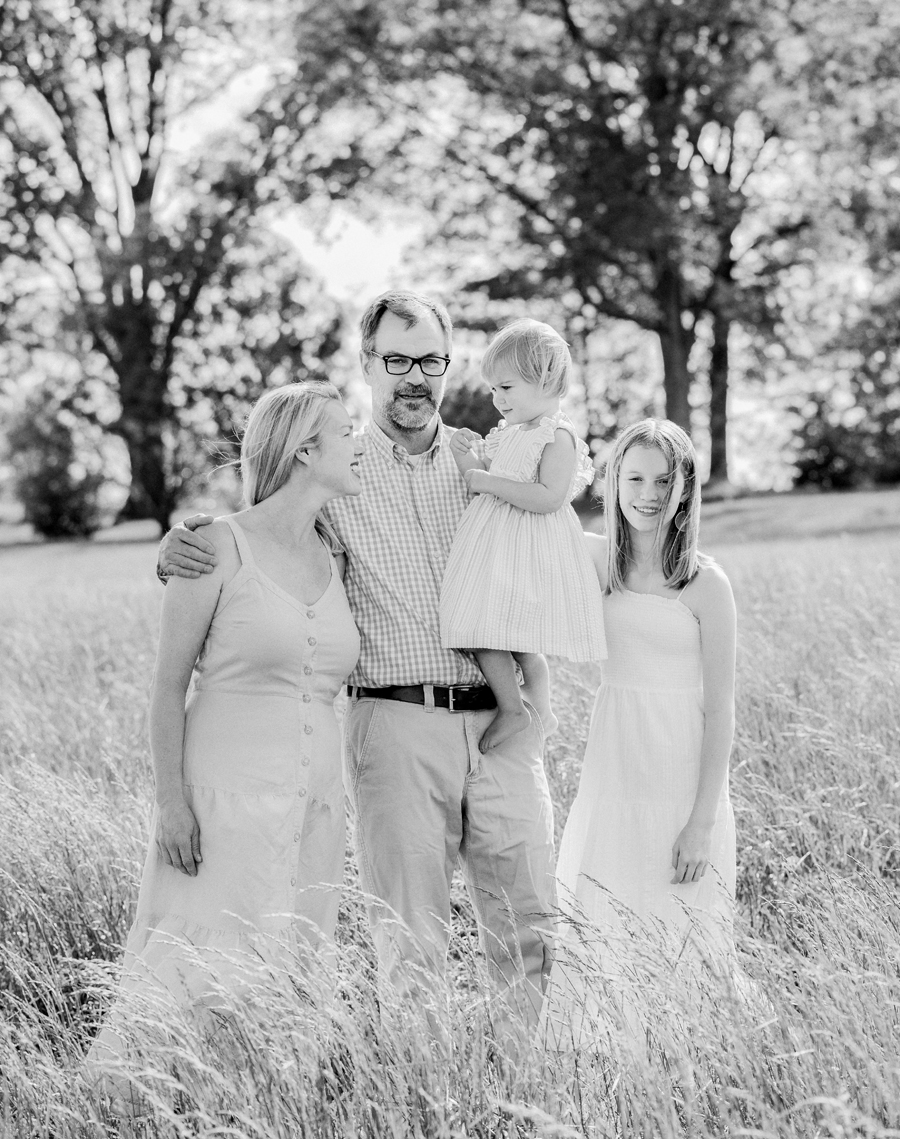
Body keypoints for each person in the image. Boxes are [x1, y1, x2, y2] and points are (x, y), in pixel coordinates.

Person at [156, 290, 556, 1033]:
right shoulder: (337, 468)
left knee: (531, 927)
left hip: (505, 724)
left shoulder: (489, 461)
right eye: (396, 360)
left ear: (447, 364)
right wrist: (178, 546)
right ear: (367, 363)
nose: (415, 377)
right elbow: (259, 537)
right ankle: (426, 1096)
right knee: (411, 941)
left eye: (430, 360)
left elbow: (556, 545)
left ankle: (522, 1097)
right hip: (396, 725)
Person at [87, 382, 362, 1111]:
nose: (357, 441)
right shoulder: (214, 544)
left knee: (293, 961)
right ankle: (145, 1110)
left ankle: (264, 1110)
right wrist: (170, 804)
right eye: (345, 430)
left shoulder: (339, 553)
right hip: (219, 805)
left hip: (314, 810)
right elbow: (166, 687)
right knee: (201, 963)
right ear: (306, 449)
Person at [542, 418, 737, 1047]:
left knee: (684, 932)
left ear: (684, 489)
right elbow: (525, 532)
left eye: (664, 479)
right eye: (634, 478)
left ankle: (688, 1075)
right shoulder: (598, 557)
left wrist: (701, 821)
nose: (648, 493)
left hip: (683, 780)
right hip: (616, 768)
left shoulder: (706, 583)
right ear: (612, 482)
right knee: (602, 918)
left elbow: (722, 710)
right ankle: (602, 1074)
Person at [440, 319, 607, 749]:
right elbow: (483, 478)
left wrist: (486, 480)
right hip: (494, 551)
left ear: (546, 379)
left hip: (526, 550)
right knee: (480, 629)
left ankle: (538, 710)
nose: (496, 399)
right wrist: (468, 461)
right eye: (493, 389)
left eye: (506, 387)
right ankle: (517, 707)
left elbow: (550, 496)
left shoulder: (558, 435)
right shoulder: (510, 435)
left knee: (517, 637)